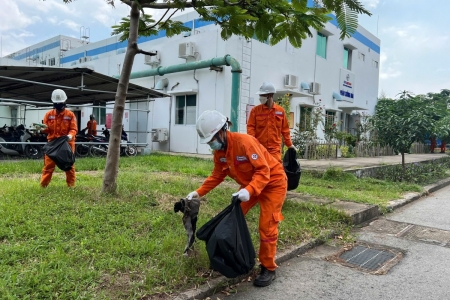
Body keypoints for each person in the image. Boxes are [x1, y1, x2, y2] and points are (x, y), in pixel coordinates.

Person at [186, 110, 287, 287]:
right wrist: (198, 192)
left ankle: (268, 267)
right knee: (231, 218)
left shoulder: (245, 142)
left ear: (223, 131)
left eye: (212, 140)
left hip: (273, 183)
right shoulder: (220, 152)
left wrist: (250, 190)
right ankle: (231, 255)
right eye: (209, 142)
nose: (212, 144)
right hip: (250, 186)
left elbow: (264, 171)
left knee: (267, 225)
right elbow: (217, 175)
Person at [38, 89, 78, 187]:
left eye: (60, 103)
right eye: (57, 103)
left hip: (66, 143)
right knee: (48, 166)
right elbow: (46, 129)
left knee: (69, 166)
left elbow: (74, 129)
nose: (59, 105)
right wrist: (41, 129)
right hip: (52, 143)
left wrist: (70, 135)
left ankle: (71, 186)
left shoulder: (70, 115)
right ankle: (43, 186)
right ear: (53, 103)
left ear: (64, 102)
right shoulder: (49, 115)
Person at [247, 82, 296, 162]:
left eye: (262, 95)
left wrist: (289, 144)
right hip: (259, 147)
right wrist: (253, 143)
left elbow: (285, 130)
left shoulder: (280, 111)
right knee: (260, 170)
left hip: (274, 149)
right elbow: (250, 128)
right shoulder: (255, 111)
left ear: (270, 95)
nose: (260, 97)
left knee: (275, 171)